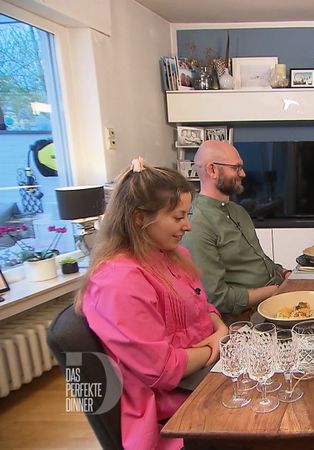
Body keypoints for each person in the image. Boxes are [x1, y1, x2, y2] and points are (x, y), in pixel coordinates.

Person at [77, 158, 227, 450]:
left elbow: (203, 306)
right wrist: (217, 345)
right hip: (172, 414)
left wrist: (220, 330)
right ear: (138, 219)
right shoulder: (119, 281)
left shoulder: (171, 254)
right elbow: (162, 369)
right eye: (177, 217)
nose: (188, 225)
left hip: (200, 377)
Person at [182, 140, 290, 322]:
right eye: (236, 168)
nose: (243, 173)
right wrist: (274, 292)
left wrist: (285, 273)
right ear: (212, 170)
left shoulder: (238, 211)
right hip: (245, 317)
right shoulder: (197, 224)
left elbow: (258, 260)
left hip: (274, 295)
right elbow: (216, 297)